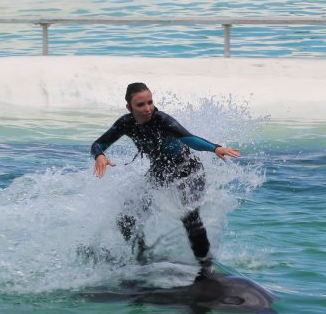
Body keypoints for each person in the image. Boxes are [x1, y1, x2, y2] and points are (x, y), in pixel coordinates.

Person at [91, 82, 240, 276]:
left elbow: (189, 138)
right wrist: (99, 155)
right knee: (127, 218)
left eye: (150, 102)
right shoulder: (125, 123)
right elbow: (98, 144)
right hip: (160, 172)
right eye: (141, 105)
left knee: (190, 217)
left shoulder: (162, 120)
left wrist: (215, 148)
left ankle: (205, 268)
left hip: (188, 170)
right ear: (129, 107)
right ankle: (141, 255)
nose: (147, 109)